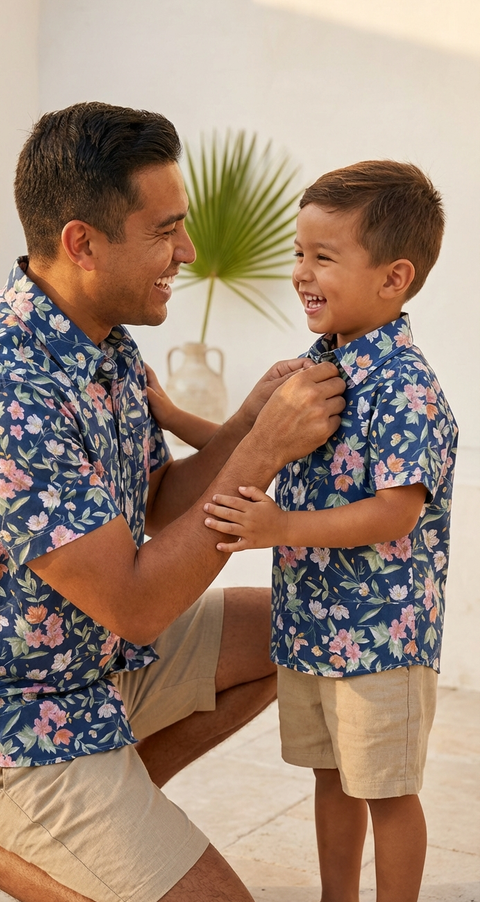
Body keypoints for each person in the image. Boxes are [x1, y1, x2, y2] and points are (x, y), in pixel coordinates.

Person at [0, 102, 346, 902]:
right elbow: (134, 603)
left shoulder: (101, 336)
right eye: (165, 230)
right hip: (14, 718)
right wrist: (263, 451)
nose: (187, 252)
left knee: (296, 625)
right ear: (81, 244)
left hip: (94, 666)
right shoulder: (4, 384)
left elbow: (157, 502)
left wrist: (239, 429)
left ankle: (101, 817)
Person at [151, 161, 458, 902]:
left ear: (393, 278)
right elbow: (240, 436)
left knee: (385, 789)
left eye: (322, 256)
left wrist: (279, 525)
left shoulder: (403, 386)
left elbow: (396, 510)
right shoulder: (314, 365)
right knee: (331, 777)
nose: (299, 272)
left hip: (380, 636)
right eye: (297, 252)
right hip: (314, 625)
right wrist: (166, 411)